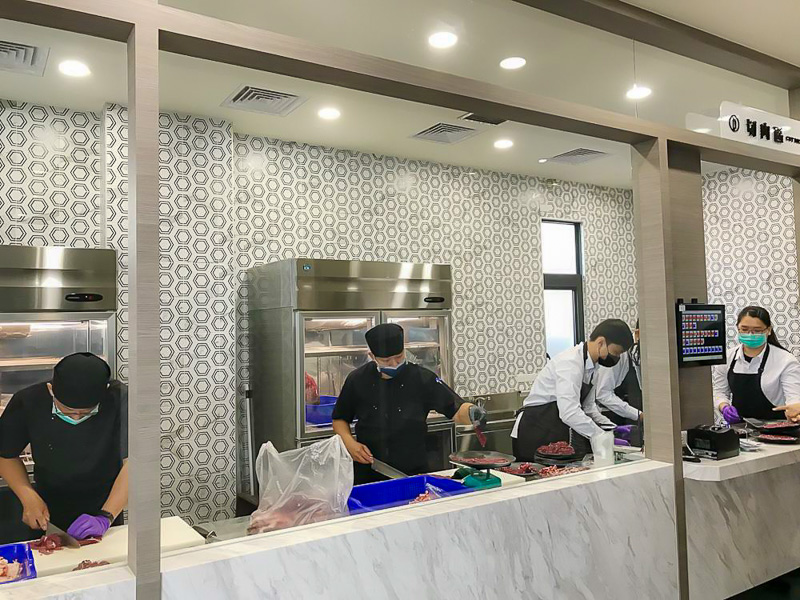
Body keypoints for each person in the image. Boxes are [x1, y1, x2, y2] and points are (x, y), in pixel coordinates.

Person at [332, 323, 486, 485]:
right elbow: (340, 419)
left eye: (399, 357)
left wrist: (472, 412)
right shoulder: (357, 380)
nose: (393, 364)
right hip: (368, 471)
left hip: (413, 471)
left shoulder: (422, 379)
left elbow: (456, 410)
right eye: (386, 360)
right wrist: (350, 444)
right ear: (372, 356)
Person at [0, 353, 128, 542]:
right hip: (46, 506)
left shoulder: (120, 399)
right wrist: (27, 495)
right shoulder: (28, 401)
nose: (76, 417)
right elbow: (5, 454)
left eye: (86, 413)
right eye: (67, 411)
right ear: (51, 390)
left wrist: (106, 517)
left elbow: (136, 461)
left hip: (105, 502)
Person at [511, 319, 635, 461]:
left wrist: (611, 428)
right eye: (616, 352)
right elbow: (569, 412)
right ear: (601, 342)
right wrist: (601, 436)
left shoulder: (594, 368)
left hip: (553, 430)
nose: (616, 358)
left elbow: (588, 409)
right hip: (534, 430)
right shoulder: (570, 363)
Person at [714, 306, 800, 424]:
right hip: (741, 428)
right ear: (737, 329)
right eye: (744, 329)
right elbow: (720, 392)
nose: (750, 334)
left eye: (757, 330)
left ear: (768, 330)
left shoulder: (785, 360)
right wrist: (723, 406)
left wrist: (795, 412)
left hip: (776, 427)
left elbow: (794, 399)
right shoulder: (727, 358)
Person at [594, 319, 643, 445]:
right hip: (615, 420)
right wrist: (638, 415)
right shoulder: (617, 354)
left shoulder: (640, 355)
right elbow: (603, 394)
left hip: (635, 421)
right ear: (637, 334)